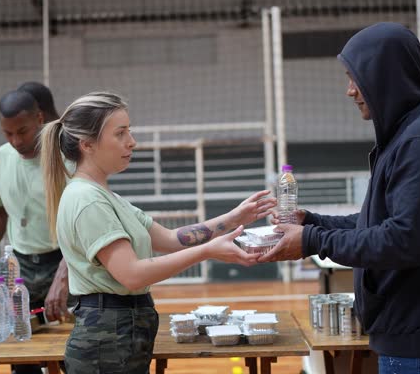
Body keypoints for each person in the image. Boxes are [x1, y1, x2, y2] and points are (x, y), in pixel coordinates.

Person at [260, 23, 420, 373]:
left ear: (385, 77)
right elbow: (384, 222)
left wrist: (311, 241)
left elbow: (404, 240)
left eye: (356, 78)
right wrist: (312, 222)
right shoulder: (416, 132)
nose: (350, 91)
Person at [40, 92, 276, 374]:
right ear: (87, 144)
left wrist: (234, 217)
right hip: (106, 342)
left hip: (121, 335)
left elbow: (170, 239)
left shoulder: (104, 195)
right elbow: (132, 274)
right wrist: (207, 251)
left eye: (130, 131)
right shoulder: (87, 200)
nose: (132, 141)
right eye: (120, 133)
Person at [0, 89, 70, 374]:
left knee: (70, 352)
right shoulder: (1, 157)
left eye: (22, 131)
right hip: (19, 264)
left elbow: (81, 226)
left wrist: (63, 275)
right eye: (7, 133)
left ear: (39, 118)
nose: (16, 141)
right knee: (22, 355)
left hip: (61, 260)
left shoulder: (64, 157)